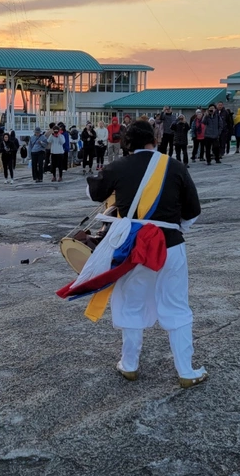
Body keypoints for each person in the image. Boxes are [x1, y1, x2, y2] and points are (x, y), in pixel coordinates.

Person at [59, 121, 206, 388]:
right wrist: (172, 227)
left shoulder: (118, 166)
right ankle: (186, 371)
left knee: (131, 304)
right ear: (155, 138)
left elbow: (93, 192)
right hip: (170, 246)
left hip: (131, 249)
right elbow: (193, 212)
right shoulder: (174, 166)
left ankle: (129, 365)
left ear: (127, 143)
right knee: (176, 307)